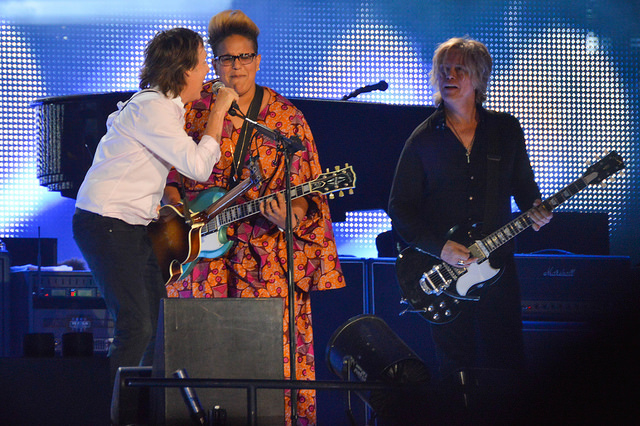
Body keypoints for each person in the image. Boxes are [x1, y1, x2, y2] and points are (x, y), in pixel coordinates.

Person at [162, 10, 345, 425]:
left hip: (265, 259)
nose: (237, 66)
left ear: (258, 60)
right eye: (227, 59)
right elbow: (168, 176)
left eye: (245, 57)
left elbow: (307, 192)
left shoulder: (286, 117)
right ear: (215, 61)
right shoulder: (192, 111)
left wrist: (290, 218)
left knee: (268, 358)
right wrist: (175, 210)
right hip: (198, 257)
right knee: (199, 352)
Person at [388, 37, 552, 419]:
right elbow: (400, 209)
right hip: (446, 275)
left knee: (506, 364)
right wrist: (440, 247)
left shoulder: (506, 130)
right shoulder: (422, 139)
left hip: (498, 272)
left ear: (479, 78)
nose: (450, 75)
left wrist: (538, 210)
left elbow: (527, 192)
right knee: (454, 371)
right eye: (444, 69)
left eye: (460, 69)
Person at [72, 27, 238, 385]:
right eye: (203, 62)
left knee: (157, 320)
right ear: (183, 70)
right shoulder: (154, 108)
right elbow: (198, 166)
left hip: (130, 224)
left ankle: (141, 404)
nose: (208, 70)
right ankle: (121, 413)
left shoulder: (159, 107)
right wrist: (218, 112)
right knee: (137, 323)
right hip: (107, 221)